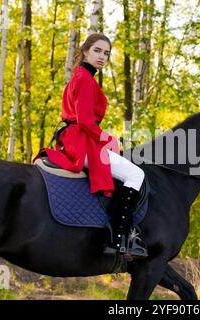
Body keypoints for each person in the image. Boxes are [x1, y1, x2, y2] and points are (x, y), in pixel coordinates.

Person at [36, 33, 147, 259]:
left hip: (77, 138)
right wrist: (108, 139)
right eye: (97, 50)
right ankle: (118, 237)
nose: (102, 56)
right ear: (85, 51)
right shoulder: (85, 79)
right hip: (81, 141)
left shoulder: (80, 77)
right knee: (136, 174)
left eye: (106, 53)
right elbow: (85, 120)